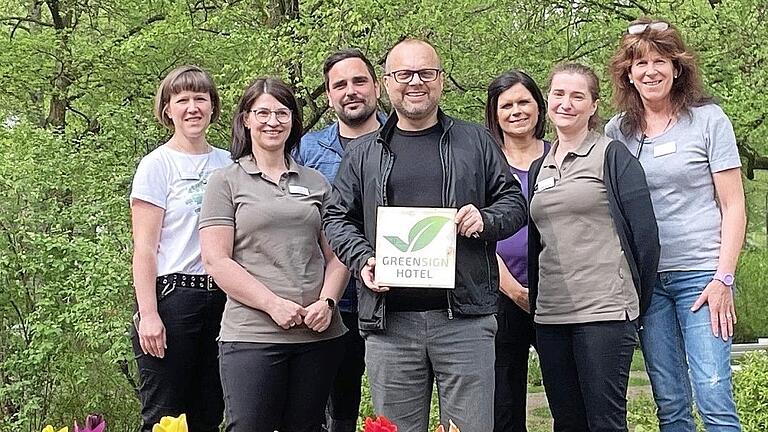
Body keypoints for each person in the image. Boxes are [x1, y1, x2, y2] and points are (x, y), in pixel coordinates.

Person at [323, 38, 528, 432]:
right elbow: (336, 217)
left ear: (441, 81)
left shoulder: (476, 142)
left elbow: (514, 204)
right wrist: (363, 258)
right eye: (404, 74)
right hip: (389, 325)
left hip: (465, 320)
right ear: (386, 83)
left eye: (426, 73)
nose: (415, 82)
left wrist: (485, 219)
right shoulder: (364, 152)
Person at [606, 18, 746, 431]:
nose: (650, 71)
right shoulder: (619, 132)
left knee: (714, 393)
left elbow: (734, 204)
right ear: (628, 74)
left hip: (703, 276)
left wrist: (724, 278)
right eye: (640, 63)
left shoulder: (709, 120)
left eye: (659, 60)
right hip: (649, 282)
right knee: (670, 402)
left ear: (677, 66)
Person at [198, 77, 349, 432]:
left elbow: (338, 255)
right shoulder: (226, 181)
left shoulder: (316, 182)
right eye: (262, 112)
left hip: (317, 337)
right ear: (246, 119)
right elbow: (216, 261)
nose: (272, 121)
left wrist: (327, 303)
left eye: (282, 112)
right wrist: (272, 304)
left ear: (293, 121)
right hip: (252, 337)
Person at [527, 62, 660, 431]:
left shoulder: (613, 156)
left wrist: (634, 303)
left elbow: (646, 240)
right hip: (552, 316)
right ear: (547, 99)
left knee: (604, 422)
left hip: (604, 313)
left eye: (577, 96)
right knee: (566, 422)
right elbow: (537, 242)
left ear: (593, 105)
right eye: (558, 94)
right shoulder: (541, 165)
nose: (566, 103)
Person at [129, 65, 230, 432]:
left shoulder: (228, 163)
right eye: (182, 99)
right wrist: (149, 314)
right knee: (165, 414)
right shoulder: (157, 165)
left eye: (200, 99)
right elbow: (144, 248)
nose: (192, 107)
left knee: (210, 411)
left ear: (212, 107)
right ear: (167, 109)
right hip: (173, 297)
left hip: (224, 298)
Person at [295, 48, 386, 432]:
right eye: (340, 85)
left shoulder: (405, 139)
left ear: (377, 87)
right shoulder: (307, 150)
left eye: (359, 81)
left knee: (392, 404)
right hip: (327, 298)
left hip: (392, 295)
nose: (351, 91)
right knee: (332, 404)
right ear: (330, 95)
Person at [484, 70, 549, 432]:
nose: (516, 111)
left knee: (566, 393)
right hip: (501, 295)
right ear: (494, 114)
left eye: (524, 101)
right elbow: (475, 229)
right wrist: (511, 287)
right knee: (503, 401)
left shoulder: (564, 157)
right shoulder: (485, 163)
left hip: (558, 294)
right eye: (506, 105)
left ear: (539, 107)